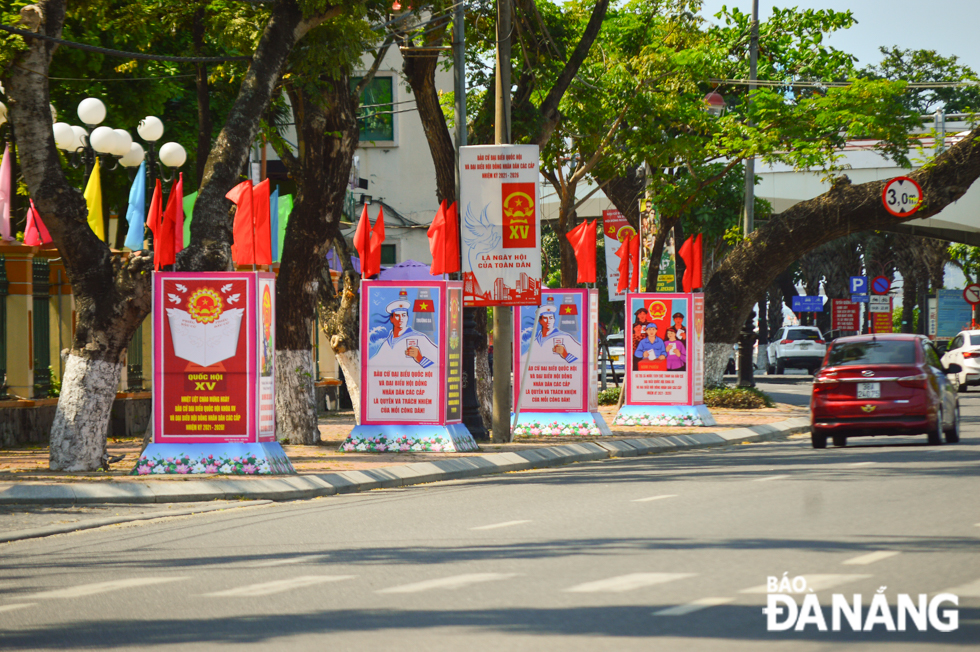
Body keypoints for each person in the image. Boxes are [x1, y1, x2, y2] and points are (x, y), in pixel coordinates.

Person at [373, 291, 438, 368]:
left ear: (407, 318)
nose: (401, 319)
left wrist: (420, 359)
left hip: (416, 379)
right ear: (391, 319)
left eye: (404, 315)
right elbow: (372, 364)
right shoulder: (387, 343)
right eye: (397, 315)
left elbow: (440, 364)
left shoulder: (420, 338)